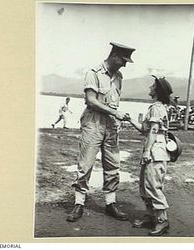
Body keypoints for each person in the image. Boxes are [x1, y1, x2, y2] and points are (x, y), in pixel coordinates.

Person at [66, 42, 135, 222]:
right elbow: (91, 101)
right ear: (114, 56)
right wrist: (115, 112)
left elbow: (113, 102)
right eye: (123, 60)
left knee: (113, 165)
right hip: (93, 123)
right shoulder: (93, 73)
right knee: (86, 164)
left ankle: (110, 203)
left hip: (111, 126)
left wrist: (116, 116)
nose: (125, 64)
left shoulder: (119, 76)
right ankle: (79, 203)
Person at [126, 75, 173, 236]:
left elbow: (153, 131)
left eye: (152, 86)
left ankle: (162, 220)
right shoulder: (156, 107)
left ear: (157, 91)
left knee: (153, 186)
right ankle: (151, 215)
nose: (149, 88)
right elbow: (145, 129)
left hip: (155, 151)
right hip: (154, 149)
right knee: (145, 186)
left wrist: (147, 151)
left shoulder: (156, 108)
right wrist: (130, 119)